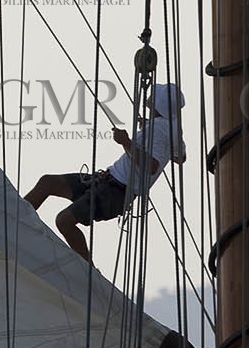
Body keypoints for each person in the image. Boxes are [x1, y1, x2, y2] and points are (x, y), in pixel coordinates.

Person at [24, 81, 186, 262]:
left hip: (115, 192)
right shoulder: (171, 127)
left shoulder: (158, 130)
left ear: (158, 103)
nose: (149, 97)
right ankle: (18, 216)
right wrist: (149, 135)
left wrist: (127, 142)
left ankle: (88, 272)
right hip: (107, 180)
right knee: (48, 183)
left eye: (154, 95)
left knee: (64, 221)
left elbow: (151, 166)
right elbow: (180, 157)